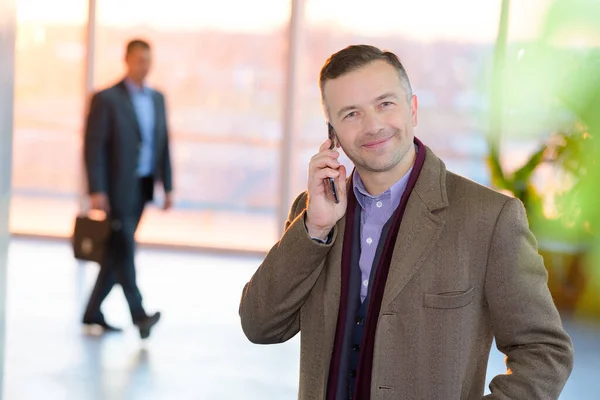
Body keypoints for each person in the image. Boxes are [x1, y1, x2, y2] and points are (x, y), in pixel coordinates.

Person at [239, 45, 574, 399]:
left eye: (385, 104)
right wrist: (315, 230)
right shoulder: (315, 213)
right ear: (332, 133)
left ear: (412, 109)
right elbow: (260, 325)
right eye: (351, 114)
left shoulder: (489, 219)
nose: (373, 126)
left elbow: (545, 352)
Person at [82, 39, 173, 339]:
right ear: (127, 60)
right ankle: (139, 315)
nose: (144, 66)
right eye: (139, 60)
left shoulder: (157, 98)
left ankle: (92, 311)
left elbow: (162, 144)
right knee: (125, 249)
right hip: (117, 187)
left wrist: (167, 185)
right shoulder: (106, 98)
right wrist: (97, 189)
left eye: (148, 60)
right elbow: (93, 147)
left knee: (116, 250)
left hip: (144, 184)